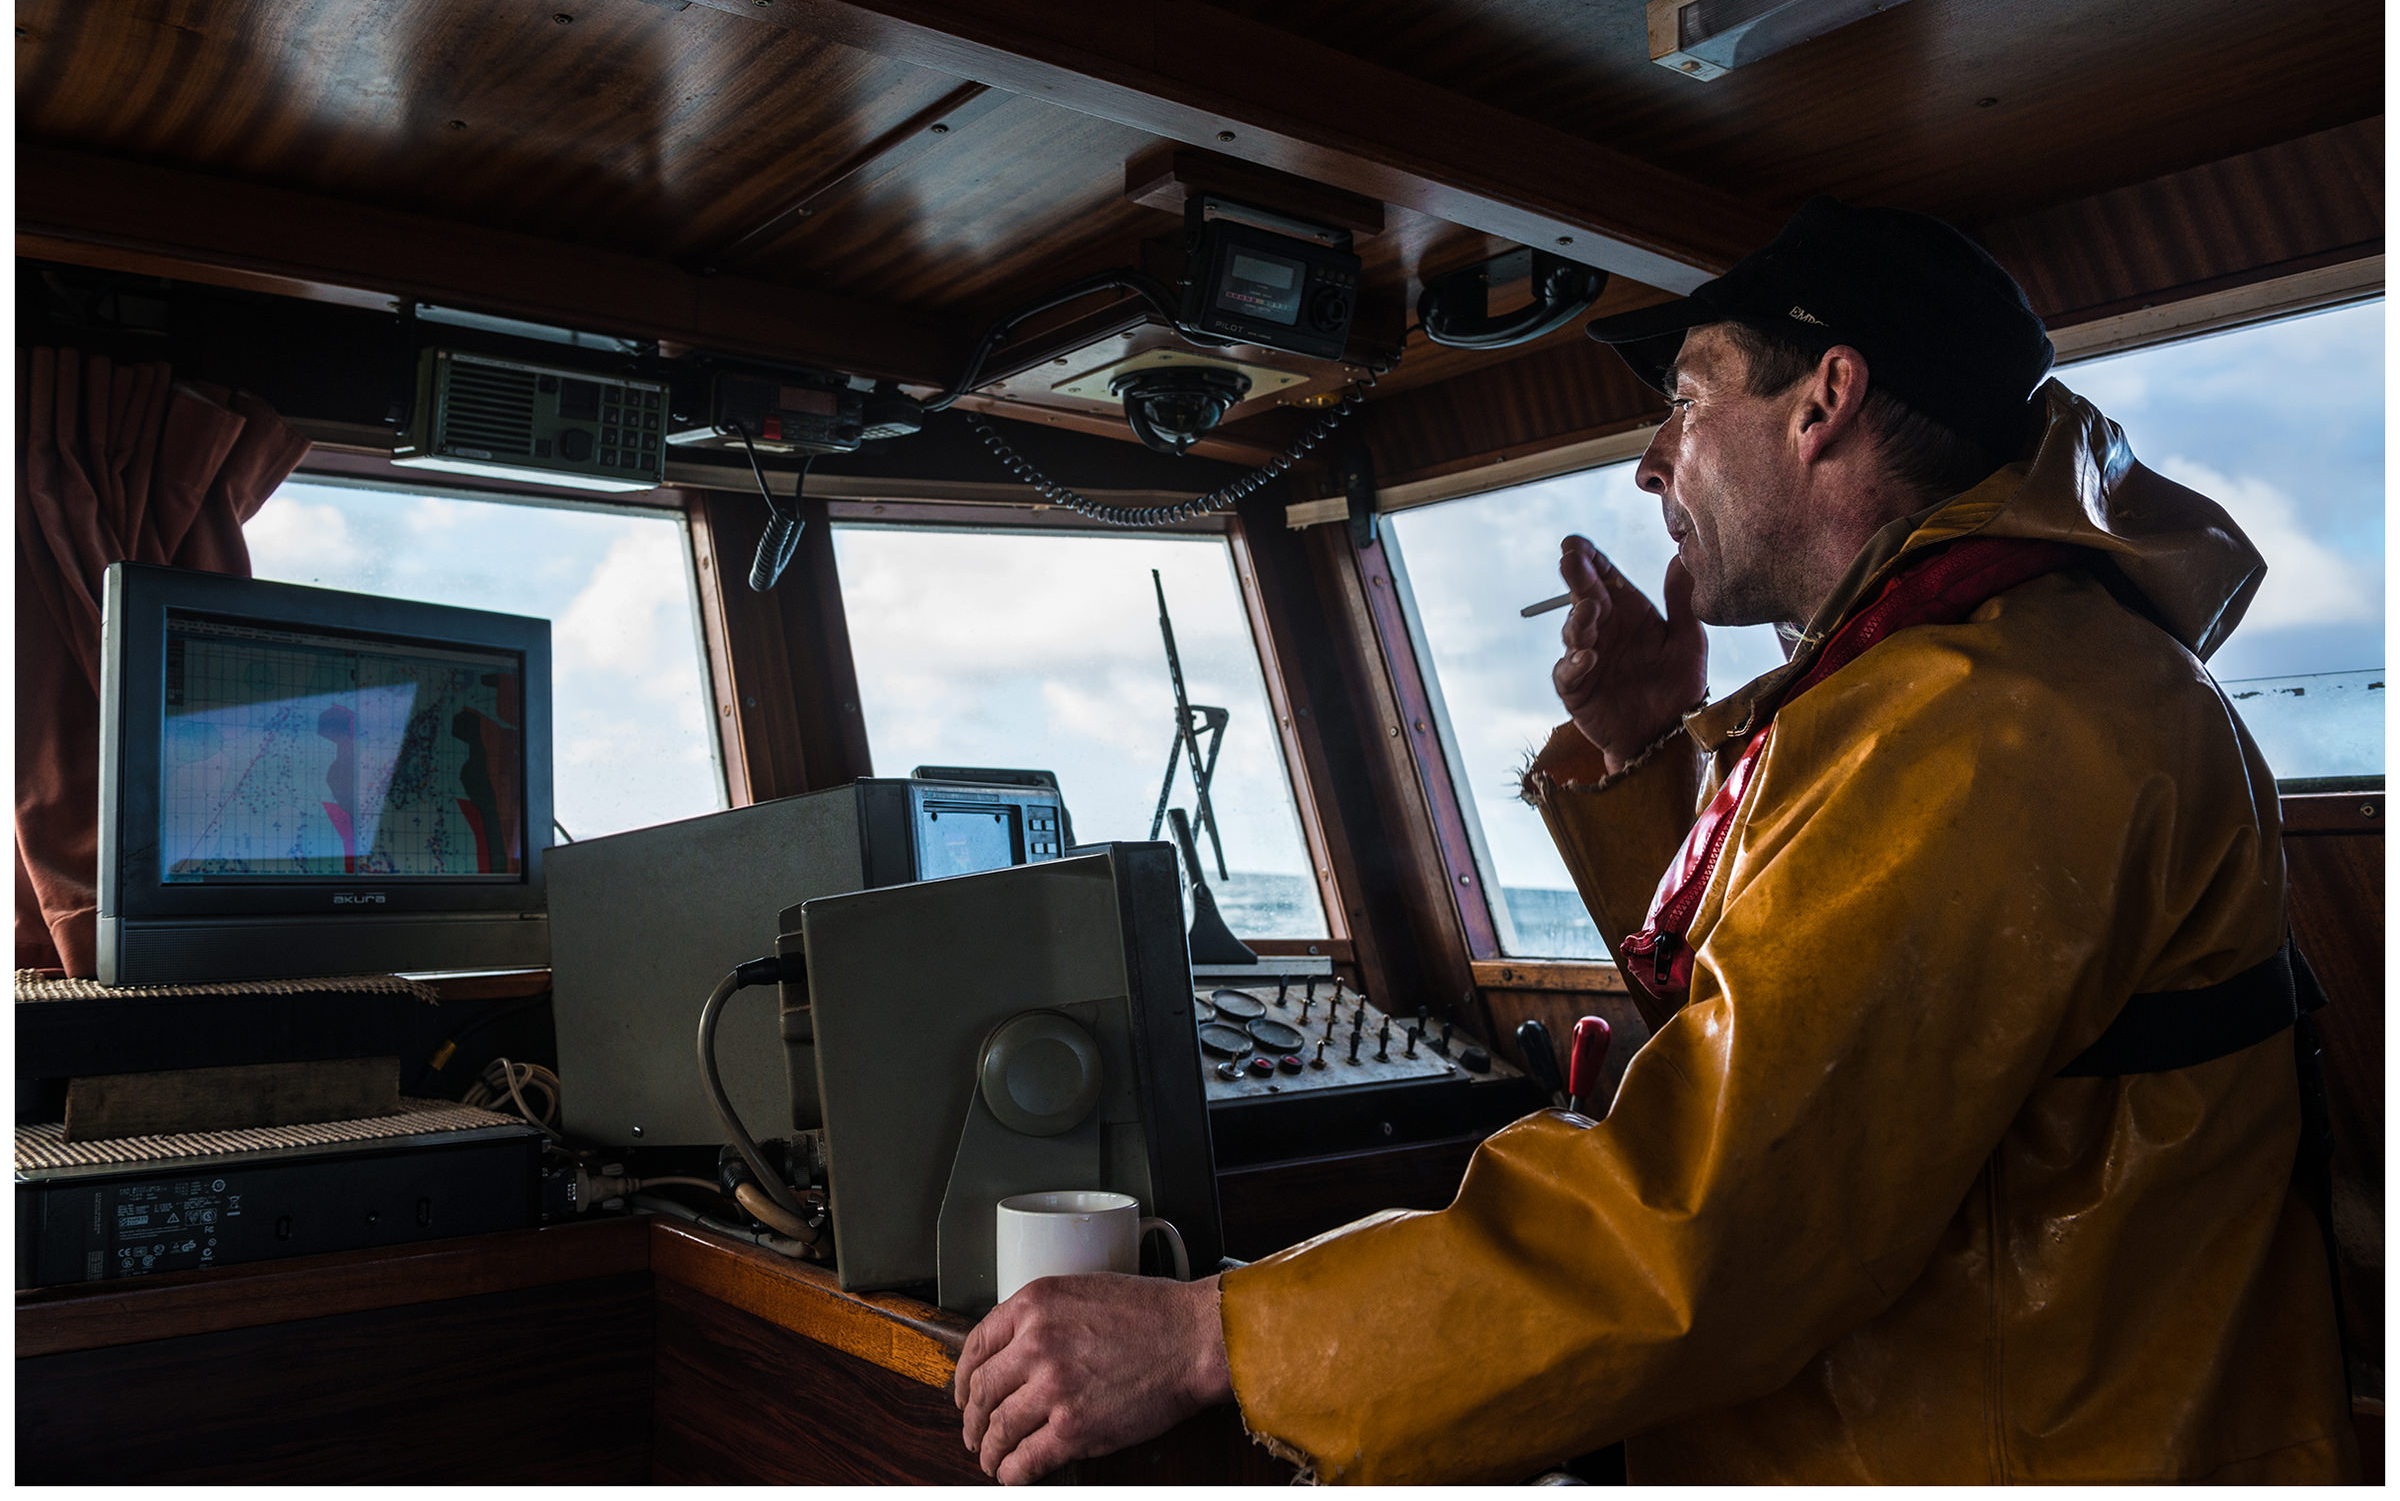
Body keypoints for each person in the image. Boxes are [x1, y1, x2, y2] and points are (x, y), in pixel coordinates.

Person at [951, 199, 2356, 1483]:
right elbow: (1786, 1040)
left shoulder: (1983, 728)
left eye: (1684, 403)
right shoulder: (1984, 679)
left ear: (1827, 399)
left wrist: (1219, 1340)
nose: (1647, 464)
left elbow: (1710, 1227)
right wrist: (1644, 743)